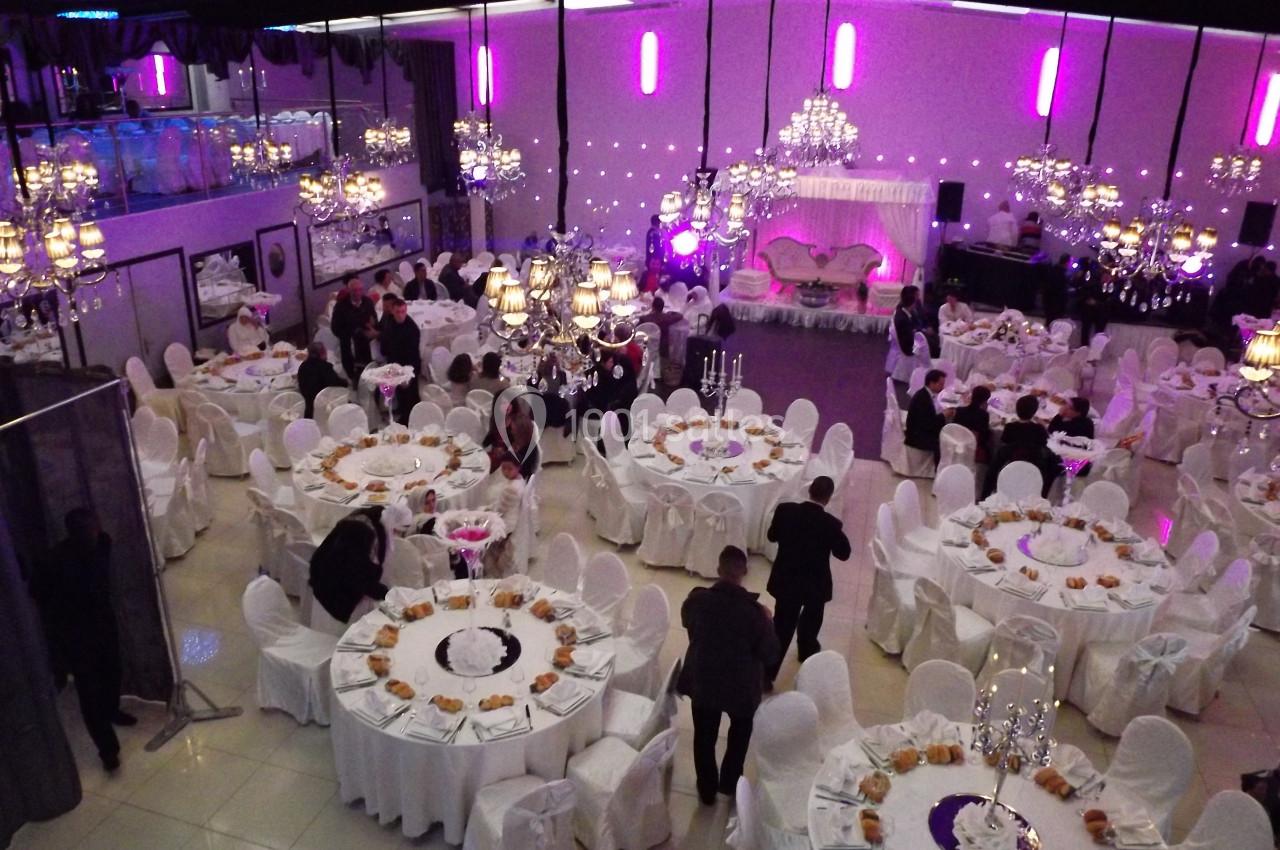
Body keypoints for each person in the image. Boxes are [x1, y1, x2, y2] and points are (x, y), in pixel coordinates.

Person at [31, 509, 134, 772]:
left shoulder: (103, 544)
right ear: (74, 533)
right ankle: (107, 749)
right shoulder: (53, 561)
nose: (94, 534)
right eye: (89, 530)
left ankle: (112, 709)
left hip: (103, 624)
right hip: (75, 634)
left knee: (113, 671)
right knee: (89, 692)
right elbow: (39, 595)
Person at [677, 545, 779, 805]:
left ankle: (707, 788)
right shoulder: (755, 614)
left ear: (718, 569)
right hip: (741, 689)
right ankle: (730, 782)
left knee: (704, 736)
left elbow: (688, 623)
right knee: (739, 736)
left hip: (703, 680)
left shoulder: (697, 600)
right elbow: (770, 655)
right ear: (744, 572)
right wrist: (769, 622)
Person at [764, 477, 851, 686]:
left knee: (782, 625)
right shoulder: (831, 524)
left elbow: (771, 536)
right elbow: (844, 553)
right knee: (812, 618)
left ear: (809, 491)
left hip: (786, 578)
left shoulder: (785, 511)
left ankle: (768, 675)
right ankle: (806, 649)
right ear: (828, 498)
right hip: (815, 583)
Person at [309, 507, 390, 624]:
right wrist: (385, 593)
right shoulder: (362, 534)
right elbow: (355, 575)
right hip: (333, 591)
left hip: (321, 576)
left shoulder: (359, 522)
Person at [983, 394, 1049, 497]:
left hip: (1010, 461)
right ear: (1034, 412)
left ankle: (986, 494)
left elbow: (1004, 441)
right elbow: (1044, 443)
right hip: (1033, 464)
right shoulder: (1039, 429)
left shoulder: (1010, 426)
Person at [375, 295, 422, 424]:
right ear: (392, 312)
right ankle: (403, 413)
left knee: (411, 396)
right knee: (400, 395)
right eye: (397, 312)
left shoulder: (412, 329)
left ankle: (410, 420)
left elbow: (412, 355)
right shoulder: (390, 322)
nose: (401, 315)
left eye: (403, 312)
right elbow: (386, 343)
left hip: (409, 367)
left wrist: (406, 375)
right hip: (396, 364)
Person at [481, 453, 526, 577]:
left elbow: (501, 510)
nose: (506, 472)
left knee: (481, 529)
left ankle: (488, 566)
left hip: (507, 523)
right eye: (503, 468)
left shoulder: (511, 489)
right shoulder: (520, 479)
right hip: (511, 517)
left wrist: (487, 513)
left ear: (518, 467)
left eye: (509, 468)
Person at [330, 274, 377, 387]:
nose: (357, 293)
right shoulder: (341, 306)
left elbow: (373, 318)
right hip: (349, 343)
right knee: (353, 371)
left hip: (365, 342)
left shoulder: (367, 302)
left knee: (367, 367)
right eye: (354, 291)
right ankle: (354, 380)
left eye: (360, 290)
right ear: (349, 291)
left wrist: (373, 324)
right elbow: (335, 327)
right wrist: (350, 333)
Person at [904, 368, 951, 463]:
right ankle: (939, 471)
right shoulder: (923, 399)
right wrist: (943, 415)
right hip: (916, 436)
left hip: (919, 429)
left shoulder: (924, 394)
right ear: (932, 383)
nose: (943, 387)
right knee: (942, 444)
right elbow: (928, 424)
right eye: (941, 384)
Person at [297, 341, 347, 419]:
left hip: (309, 409)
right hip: (325, 408)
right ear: (322, 353)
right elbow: (338, 383)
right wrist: (346, 382)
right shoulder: (325, 367)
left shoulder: (302, 367)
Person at [952, 384, 994, 464]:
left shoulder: (960, 410)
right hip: (974, 448)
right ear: (985, 400)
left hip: (958, 444)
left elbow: (955, 427)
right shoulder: (983, 414)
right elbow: (983, 436)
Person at [893, 285, 937, 359]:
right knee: (933, 344)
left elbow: (923, 317)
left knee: (934, 338)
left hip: (915, 335)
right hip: (910, 346)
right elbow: (909, 335)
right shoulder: (902, 316)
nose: (918, 297)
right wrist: (923, 332)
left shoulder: (911, 308)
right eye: (917, 295)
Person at [639, 296, 684, 360]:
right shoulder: (667, 317)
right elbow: (680, 315)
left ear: (653, 306)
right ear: (662, 307)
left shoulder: (644, 318)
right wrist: (670, 312)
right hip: (662, 345)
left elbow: (638, 329)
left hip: (648, 344)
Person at [1077, 262, 1109, 346]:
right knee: (1086, 329)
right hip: (1090, 310)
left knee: (1097, 332)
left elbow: (1107, 300)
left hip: (1099, 312)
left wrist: (1097, 303)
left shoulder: (1106, 284)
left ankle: (1094, 350)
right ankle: (1084, 348)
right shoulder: (1092, 282)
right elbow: (1083, 292)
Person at [1043, 254, 1070, 328]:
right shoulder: (1061, 273)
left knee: (1050, 323)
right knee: (1054, 324)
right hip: (1056, 303)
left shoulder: (1053, 270)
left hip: (1050, 302)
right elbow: (1059, 288)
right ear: (1067, 263)